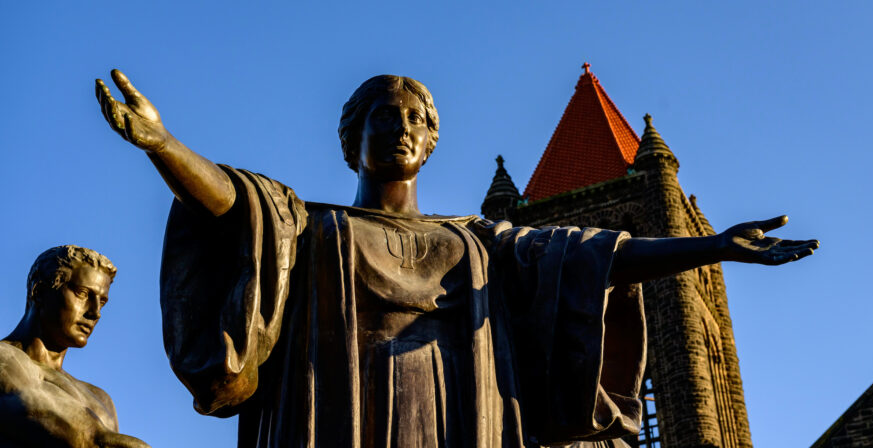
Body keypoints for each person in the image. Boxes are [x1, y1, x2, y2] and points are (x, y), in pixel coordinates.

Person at [96, 70, 818, 448]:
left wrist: (710, 248)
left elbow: (593, 255)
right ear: (352, 139)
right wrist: (163, 145)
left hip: (461, 422)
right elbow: (233, 202)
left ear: (433, 138)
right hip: (332, 420)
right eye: (384, 115)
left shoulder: (478, 239)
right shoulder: (308, 226)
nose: (402, 128)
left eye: (416, 118)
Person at [0, 245, 150, 448]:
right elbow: (86, 439)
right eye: (82, 293)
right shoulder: (4, 359)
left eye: (102, 301)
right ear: (40, 291)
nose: (95, 312)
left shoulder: (101, 399)